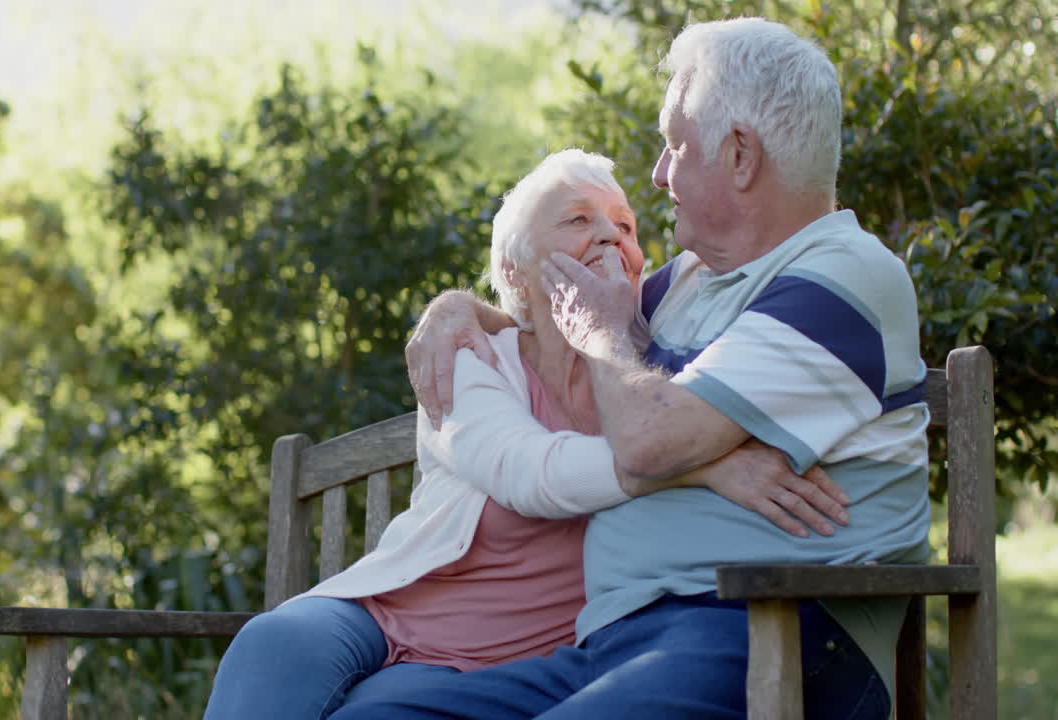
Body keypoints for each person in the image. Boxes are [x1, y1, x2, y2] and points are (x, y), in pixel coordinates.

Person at [339, 17, 930, 720]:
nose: (657, 174)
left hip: (773, 635)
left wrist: (603, 334)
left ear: (740, 156)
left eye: (674, 146)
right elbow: (560, 322)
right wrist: (457, 308)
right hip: (615, 644)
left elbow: (648, 440)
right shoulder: (686, 283)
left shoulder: (844, 277)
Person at [202, 149, 851, 720]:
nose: (607, 236)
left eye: (624, 227)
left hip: (513, 664)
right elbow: (526, 471)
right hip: (384, 613)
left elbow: (759, 261)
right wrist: (698, 466)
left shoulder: (659, 365)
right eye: (576, 221)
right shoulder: (472, 357)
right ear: (515, 273)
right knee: (273, 642)